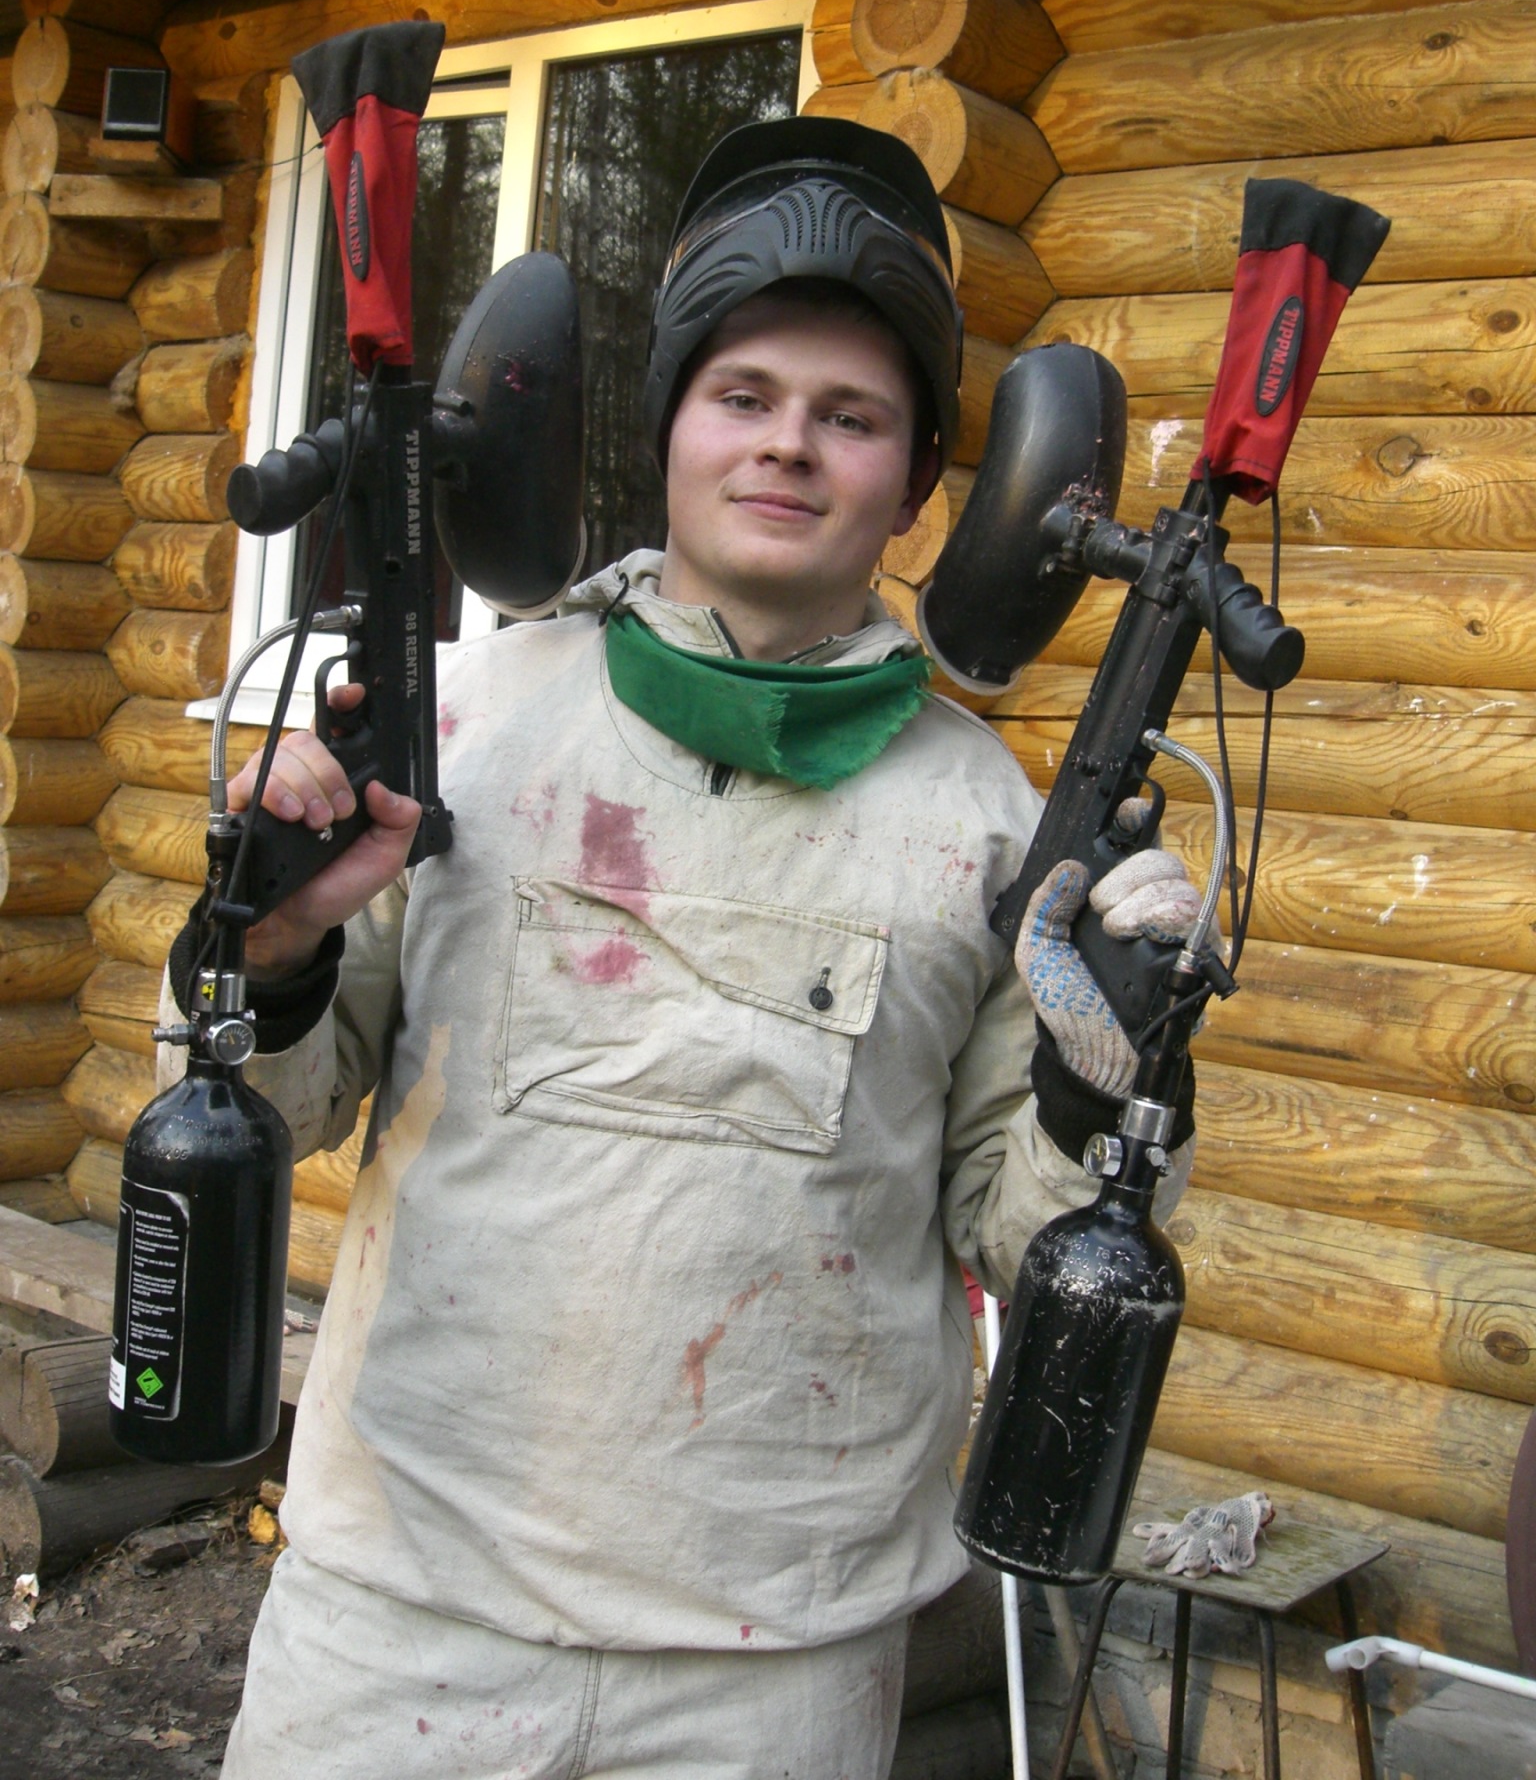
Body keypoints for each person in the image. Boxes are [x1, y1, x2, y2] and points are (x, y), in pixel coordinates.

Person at [191, 119, 1196, 1779]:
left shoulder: (989, 828)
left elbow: (1017, 1234)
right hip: (398, 1620)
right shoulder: (462, 728)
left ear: (918, 488)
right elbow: (277, 1106)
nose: (788, 444)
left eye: (850, 416)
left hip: (774, 1666)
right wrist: (279, 941)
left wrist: (1110, 1089)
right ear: (664, 428)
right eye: (743, 396)